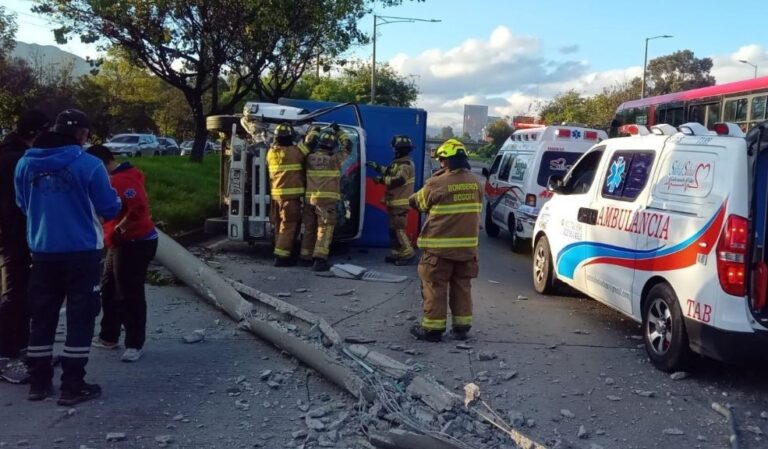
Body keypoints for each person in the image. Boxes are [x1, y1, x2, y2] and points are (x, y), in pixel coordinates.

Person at [14, 109, 121, 405]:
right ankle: (72, 386)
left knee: (42, 317)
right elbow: (110, 208)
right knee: (81, 317)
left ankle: (38, 383)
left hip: (42, 250)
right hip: (82, 252)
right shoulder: (89, 165)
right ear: (83, 134)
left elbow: (23, 204)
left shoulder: (25, 163)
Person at [87, 145, 157, 363]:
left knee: (129, 292)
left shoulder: (121, 181)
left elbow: (138, 210)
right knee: (109, 286)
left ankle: (135, 343)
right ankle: (109, 336)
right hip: (121, 242)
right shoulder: (124, 175)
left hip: (134, 243)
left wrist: (119, 230)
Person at [408, 138, 482, 342]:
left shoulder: (436, 182)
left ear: (446, 161)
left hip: (439, 249)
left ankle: (432, 330)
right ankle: (461, 328)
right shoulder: (476, 182)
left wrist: (435, 179)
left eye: (441, 160)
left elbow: (416, 202)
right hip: (467, 249)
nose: (440, 163)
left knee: (435, 287)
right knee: (462, 287)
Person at [0, 109, 51, 384]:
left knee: (21, 290)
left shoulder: (9, 153)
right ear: (36, 133)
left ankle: (20, 346)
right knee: (16, 290)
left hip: (12, 232)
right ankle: (6, 352)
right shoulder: (17, 160)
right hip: (14, 233)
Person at [299, 126, 351, 271]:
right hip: (326, 201)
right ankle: (320, 260)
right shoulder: (334, 160)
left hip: (310, 199)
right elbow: (348, 146)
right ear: (332, 146)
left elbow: (307, 145)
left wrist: (314, 131)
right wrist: (339, 131)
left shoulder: (309, 157)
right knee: (325, 228)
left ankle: (305, 257)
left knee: (310, 228)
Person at [367, 135, 417, 265]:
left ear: (399, 150)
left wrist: (381, 180)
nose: (394, 151)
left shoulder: (405, 165)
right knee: (393, 230)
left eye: (395, 149)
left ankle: (408, 254)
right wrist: (377, 167)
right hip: (394, 203)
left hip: (400, 203)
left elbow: (399, 180)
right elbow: (390, 172)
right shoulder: (399, 163)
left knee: (398, 230)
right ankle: (397, 253)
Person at [267, 123, 310, 266]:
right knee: (289, 225)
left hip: (276, 197)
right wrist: (314, 132)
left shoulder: (271, 153)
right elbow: (309, 146)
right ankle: (282, 257)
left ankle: (280, 251)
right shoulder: (294, 152)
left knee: (280, 225)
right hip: (290, 199)